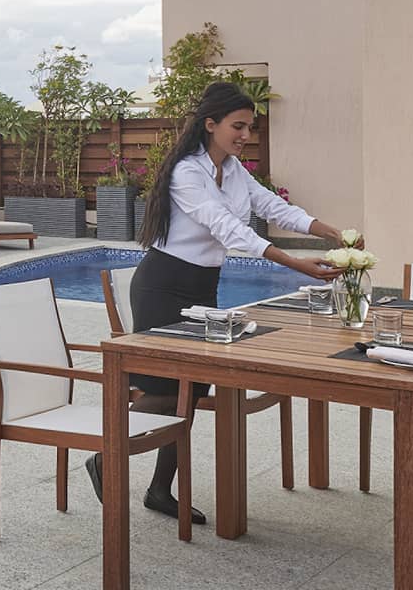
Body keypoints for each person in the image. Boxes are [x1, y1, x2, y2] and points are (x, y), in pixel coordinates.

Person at [86, 81, 345, 525]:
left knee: (195, 388)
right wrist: (294, 264)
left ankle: (159, 490)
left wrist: (333, 233)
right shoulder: (187, 173)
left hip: (202, 287)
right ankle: (105, 455)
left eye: (249, 127)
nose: (245, 134)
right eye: (237, 126)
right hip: (163, 287)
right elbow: (227, 227)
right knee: (167, 390)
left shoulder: (235, 170)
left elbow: (274, 207)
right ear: (211, 124)